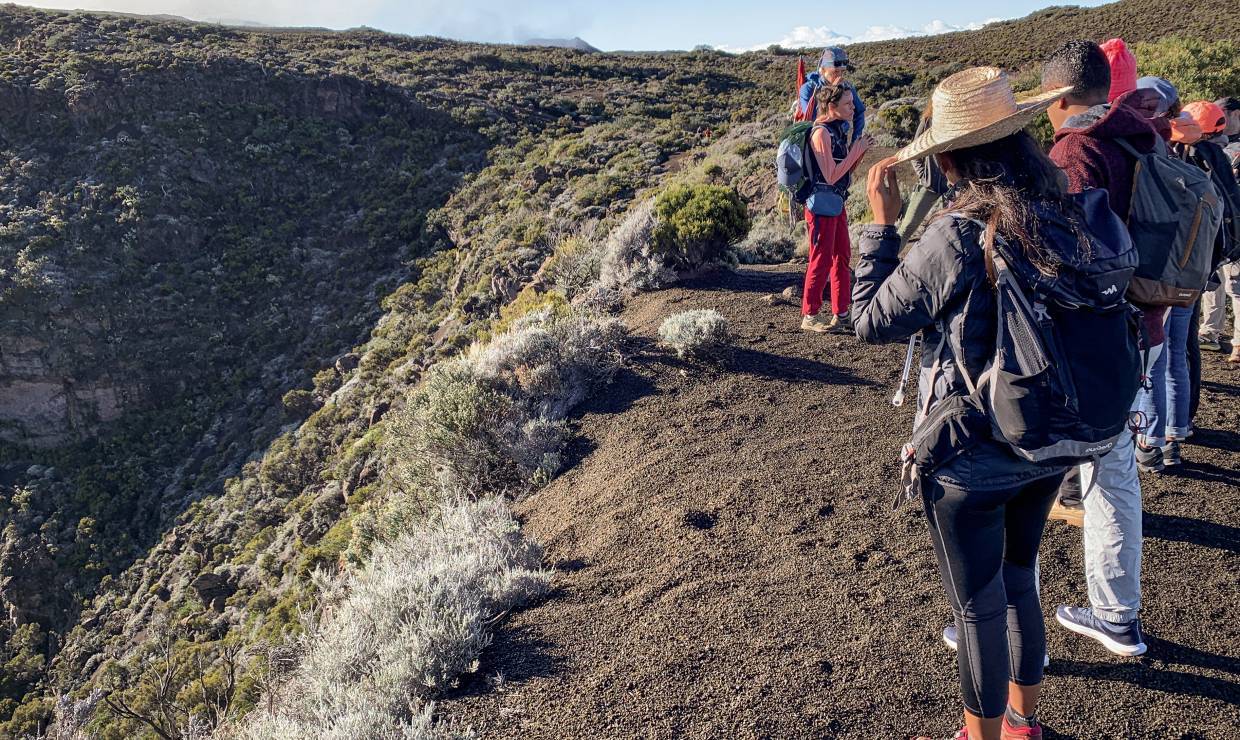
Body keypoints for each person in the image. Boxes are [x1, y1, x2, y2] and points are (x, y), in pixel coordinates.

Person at [853, 67, 1081, 740]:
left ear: (947, 157)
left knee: (978, 604)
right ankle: (1023, 724)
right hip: (1047, 436)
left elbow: (870, 320)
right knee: (1018, 580)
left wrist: (880, 227)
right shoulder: (1061, 206)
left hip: (971, 450)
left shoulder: (955, 232)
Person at [1038, 40, 1160, 657]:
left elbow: (1070, 258)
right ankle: (1118, 615)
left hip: (1086, 341)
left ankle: (1001, 624)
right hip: (1146, 324)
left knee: (1030, 471)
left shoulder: (1074, 151)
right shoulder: (1144, 135)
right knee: (1114, 474)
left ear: (1058, 99)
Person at [800, 83, 871, 333]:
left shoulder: (837, 131)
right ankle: (810, 314)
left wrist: (858, 153)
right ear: (832, 107)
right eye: (848, 104)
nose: (854, 108)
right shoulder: (820, 134)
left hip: (836, 202)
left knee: (842, 256)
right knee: (820, 259)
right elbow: (830, 176)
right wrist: (856, 151)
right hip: (821, 206)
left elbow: (845, 172)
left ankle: (841, 313)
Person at [1198, 97, 1240, 362]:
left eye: (1221, 113)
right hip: (1215, 224)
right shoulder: (1205, 146)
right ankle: (1210, 331)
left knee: (1236, 285)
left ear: (1235, 114)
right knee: (1211, 279)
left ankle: (1238, 343)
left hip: (1235, 224)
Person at [798, 46, 866, 143]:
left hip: (840, 138)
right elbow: (814, 119)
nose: (839, 76)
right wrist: (832, 91)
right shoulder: (809, 89)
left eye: (842, 72)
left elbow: (859, 113)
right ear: (823, 70)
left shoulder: (846, 86)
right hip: (818, 141)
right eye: (835, 72)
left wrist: (855, 141)